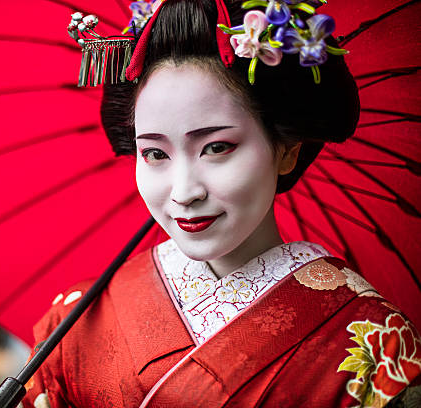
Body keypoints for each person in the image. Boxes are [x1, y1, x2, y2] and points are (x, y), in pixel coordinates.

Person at [22, 0, 421, 406]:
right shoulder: (78, 321)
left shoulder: (376, 345)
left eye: (216, 147)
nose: (183, 192)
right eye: (155, 154)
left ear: (286, 149)